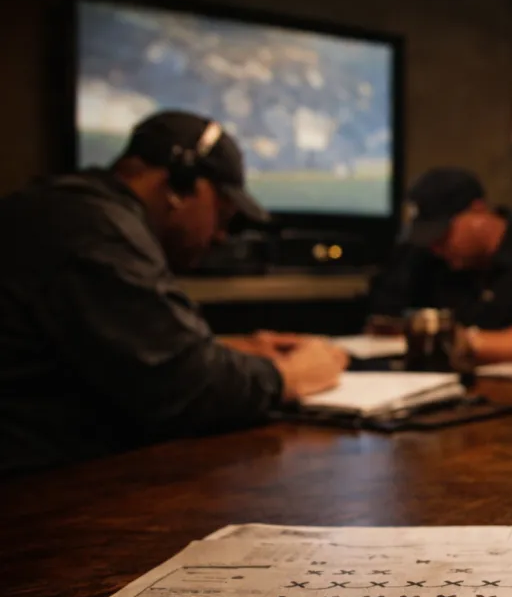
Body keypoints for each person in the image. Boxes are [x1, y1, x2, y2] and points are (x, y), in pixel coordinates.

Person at [0, 110, 347, 475]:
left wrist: (232, 348)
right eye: (222, 215)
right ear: (182, 186)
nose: (220, 237)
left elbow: (125, 356)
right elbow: (188, 386)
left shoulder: (72, 210)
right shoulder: (96, 231)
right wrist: (289, 376)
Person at [368, 168, 512, 364]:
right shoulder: (429, 258)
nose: (435, 248)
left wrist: (466, 342)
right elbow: (386, 324)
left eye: (442, 235)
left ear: (478, 211)